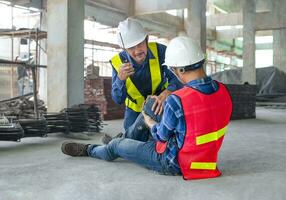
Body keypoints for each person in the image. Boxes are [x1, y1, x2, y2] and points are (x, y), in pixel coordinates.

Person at [61, 36, 233, 180]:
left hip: (172, 161)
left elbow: (161, 135)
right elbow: (199, 122)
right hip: (205, 159)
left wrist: (150, 121)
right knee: (145, 116)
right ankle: (122, 141)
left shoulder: (178, 100)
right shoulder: (223, 91)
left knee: (120, 143)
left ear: (179, 69)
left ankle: (92, 149)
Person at [110, 18, 182, 132]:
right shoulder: (117, 63)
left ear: (147, 39)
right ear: (124, 48)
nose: (138, 50)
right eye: (131, 47)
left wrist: (167, 93)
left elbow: (178, 78)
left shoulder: (160, 51)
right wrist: (120, 79)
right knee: (132, 142)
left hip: (159, 105)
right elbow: (118, 99)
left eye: (140, 44)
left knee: (164, 137)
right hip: (134, 112)